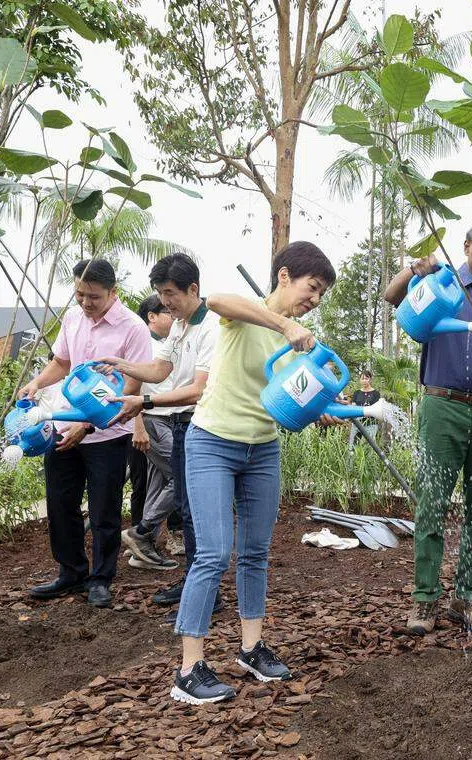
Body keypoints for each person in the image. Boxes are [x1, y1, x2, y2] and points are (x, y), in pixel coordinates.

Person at [153, 242, 336, 705]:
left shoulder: (297, 341)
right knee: (212, 554)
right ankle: (189, 669)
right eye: (312, 288)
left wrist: (322, 410)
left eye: (320, 294)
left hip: (262, 450)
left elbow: (288, 394)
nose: (314, 299)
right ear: (284, 276)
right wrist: (285, 323)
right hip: (212, 442)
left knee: (255, 553)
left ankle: (251, 648)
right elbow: (215, 301)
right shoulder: (248, 314)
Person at [383, 221, 472, 636]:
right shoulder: (441, 284)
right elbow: (392, 298)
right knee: (432, 504)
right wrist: (414, 270)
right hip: (442, 405)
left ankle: (468, 597)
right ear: (466, 248)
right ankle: (425, 601)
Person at [19, 259, 152, 608]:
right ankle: (70, 572)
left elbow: (131, 383)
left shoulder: (133, 328)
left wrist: (88, 424)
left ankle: (101, 578)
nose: (85, 302)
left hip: (107, 433)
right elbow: (61, 363)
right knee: (61, 502)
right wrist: (36, 382)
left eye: (93, 296)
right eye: (80, 294)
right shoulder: (73, 317)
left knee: (104, 509)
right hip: (63, 426)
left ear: (113, 292)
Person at [96, 253, 221, 618]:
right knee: (184, 507)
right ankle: (192, 582)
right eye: (161, 294)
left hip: (200, 425)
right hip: (180, 427)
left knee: (196, 512)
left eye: (170, 293)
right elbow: (158, 368)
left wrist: (144, 402)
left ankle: (207, 595)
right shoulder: (180, 326)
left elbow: (200, 390)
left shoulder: (211, 328)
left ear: (193, 288)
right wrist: (121, 364)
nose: (164, 302)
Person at [125, 294, 178, 571]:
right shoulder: (142, 343)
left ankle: (141, 551)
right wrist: (138, 424)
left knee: (158, 484)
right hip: (152, 420)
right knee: (182, 476)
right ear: (152, 317)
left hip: (166, 420)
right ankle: (141, 532)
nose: (172, 314)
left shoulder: (166, 344)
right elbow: (131, 387)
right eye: (166, 311)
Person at [348, 370, 382, 447]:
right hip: (357, 422)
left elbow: (377, 408)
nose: (364, 381)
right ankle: (352, 459)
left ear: (370, 380)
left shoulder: (375, 393)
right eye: (362, 378)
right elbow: (353, 406)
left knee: (369, 446)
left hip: (371, 423)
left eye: (366, 378)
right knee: (353, 445)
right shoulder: (357, 393)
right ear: (360, 380)